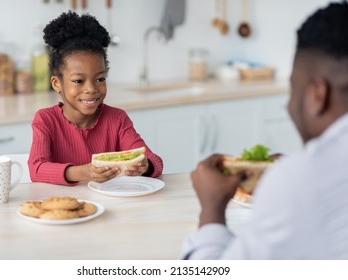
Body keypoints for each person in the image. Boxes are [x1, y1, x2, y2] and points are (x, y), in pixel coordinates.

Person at [181, 2, 348, 259]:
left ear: (318, 94)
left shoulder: (299, 182)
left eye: (294, 89)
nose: (289, 105)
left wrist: (211, 208)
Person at [28, 11, 163, 186]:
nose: (91, 89)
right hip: (64, 207)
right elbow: (36, 169)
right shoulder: (46, 120)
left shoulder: (117, 119)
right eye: (78, 81)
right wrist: (84, 172)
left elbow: (155, 161)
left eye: (100, 79)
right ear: (56, 83)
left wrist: (145, 166)